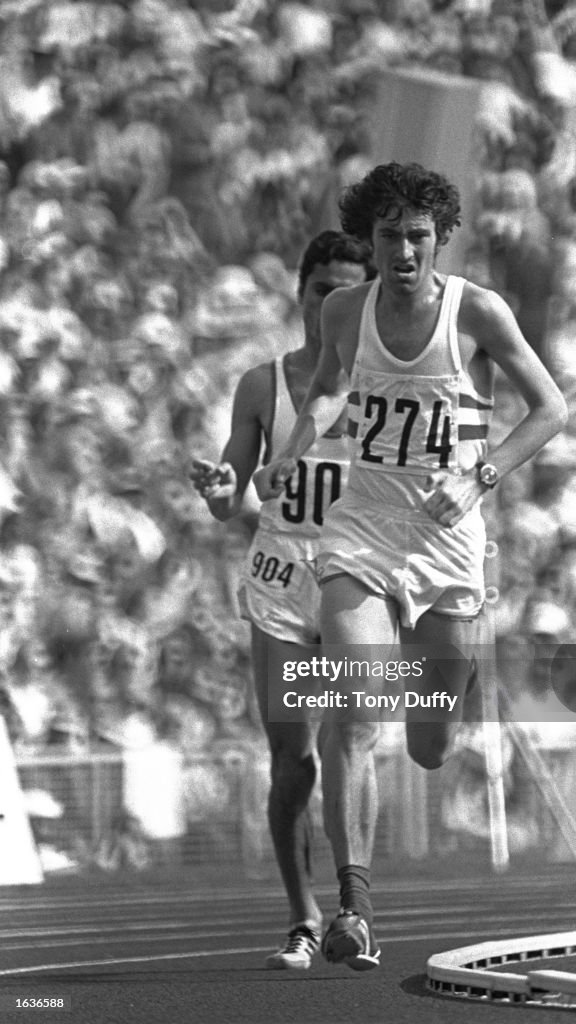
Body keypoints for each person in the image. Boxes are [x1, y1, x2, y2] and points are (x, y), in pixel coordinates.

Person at [254, 162, 568, 971]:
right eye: (388, 235)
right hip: (360, 532)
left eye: (418, 235)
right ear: (371, 239)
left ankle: (450, 699)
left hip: (450, 541)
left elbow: (552, 408)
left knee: (429, 740)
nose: (403, 249)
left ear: (440, 239)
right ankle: (354, 910)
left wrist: (481, 475)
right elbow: (325, 391)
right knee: (359, 709)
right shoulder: (344, 308)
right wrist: (293, 451)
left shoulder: (478, 313)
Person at [189, 230, 373, 970]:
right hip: (280, 581)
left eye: (346, 291)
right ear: (300, 296)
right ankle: (303, 919)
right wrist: (223, 490)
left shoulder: (386, 387)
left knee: (355, 737)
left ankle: (357, 912)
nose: (332, 301)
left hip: (358, 575)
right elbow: (232, 494)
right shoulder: (261, 383)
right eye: (320, 288)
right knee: (292, 761)